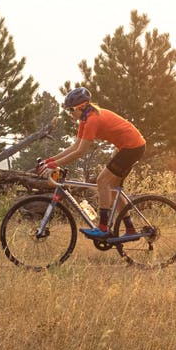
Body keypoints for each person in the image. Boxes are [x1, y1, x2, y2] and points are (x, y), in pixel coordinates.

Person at [36, 87, 147, 239]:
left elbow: (80, 152)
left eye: (70, 110)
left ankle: (103, 228)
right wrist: (50, 161)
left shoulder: (93, 120)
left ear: (80, 107)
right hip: (125, 146)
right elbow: (74, 146)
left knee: (102, 181)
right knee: (112, 188)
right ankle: (130, 229)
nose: (69, 114)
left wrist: (53, 165)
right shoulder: (85, 119)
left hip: (132, 147)